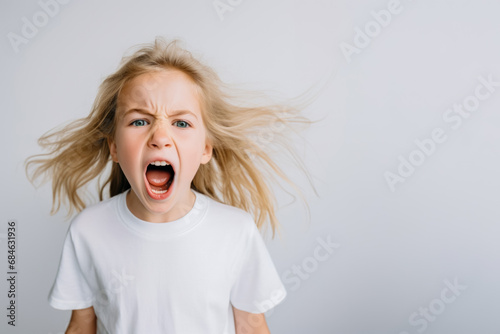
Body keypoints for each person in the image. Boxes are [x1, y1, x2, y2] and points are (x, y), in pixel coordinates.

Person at [26, 38, 311, 334]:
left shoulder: (235, 231)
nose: (159, 137)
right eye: (139, 121)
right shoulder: (88, 231)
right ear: (114, 147)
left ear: (205, 148)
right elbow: (82, 325)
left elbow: (252, 326)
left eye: (181, 123)